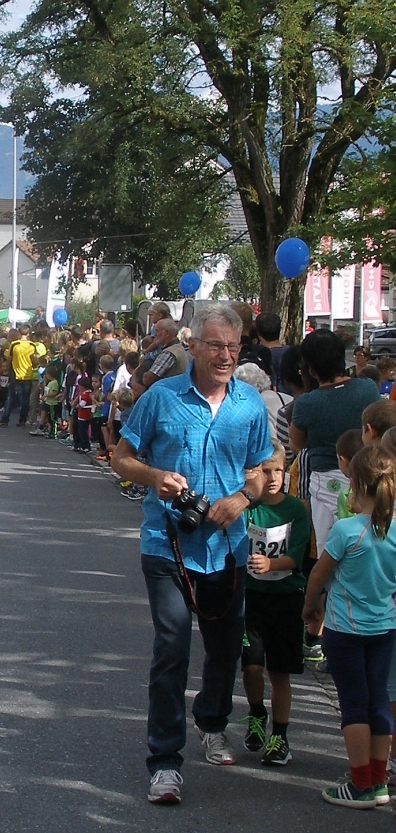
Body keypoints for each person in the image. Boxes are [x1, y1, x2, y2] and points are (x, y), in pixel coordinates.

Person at [111, 303, 270, 805]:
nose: (225, 356)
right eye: (216, 345)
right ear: (194, 346)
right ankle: (164, 761)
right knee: (173, 647)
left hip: (227, 546)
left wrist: (243, 498)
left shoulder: (249, 404)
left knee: (225, 648)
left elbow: (268, 467)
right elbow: (121, 457)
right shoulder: (161, 396)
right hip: (168, 543)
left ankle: (213, 721)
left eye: (232, 347)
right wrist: (155, 477)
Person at [303, 445, 396, 808]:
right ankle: (377, 780)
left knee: (353, 704)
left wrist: (311, 609)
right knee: (379, 704)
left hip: (345, 630)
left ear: (355, 484)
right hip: (384, 628)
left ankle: (359, 784)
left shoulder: (347, 530)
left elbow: (319, 574)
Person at [240, 442, 309, 767]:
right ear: (252, 473)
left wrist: (273, 565)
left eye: (278, 470)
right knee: (252, 666)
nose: (272, 477)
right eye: (264, 471)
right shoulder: (248, 508)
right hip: (251, 600)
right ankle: (256, 713)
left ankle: (280, 736)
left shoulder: (295, 510)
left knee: (280, 672)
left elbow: (297, 557)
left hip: (285, 600)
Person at [290, 330, 380, 555]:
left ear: (310, 367)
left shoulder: (307, 403)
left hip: (325, 480)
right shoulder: (368, 387)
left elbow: (298, 444)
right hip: (369, 476)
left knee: (328, 549)